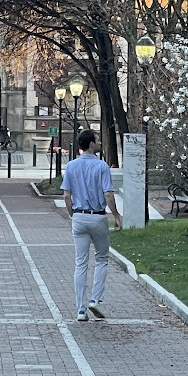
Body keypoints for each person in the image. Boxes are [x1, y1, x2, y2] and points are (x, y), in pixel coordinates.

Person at [61, 129, 118, 322]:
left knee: (80, 262)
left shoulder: (71, 166)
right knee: (102, 258)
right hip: (97, 216)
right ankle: (95, 299)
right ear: (91, 144)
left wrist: (72, 213)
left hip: (79, 216)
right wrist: (116, 215)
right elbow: (108, 194)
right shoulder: (102, 166)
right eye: (96, 140)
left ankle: (80, 309)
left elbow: (66, 195)